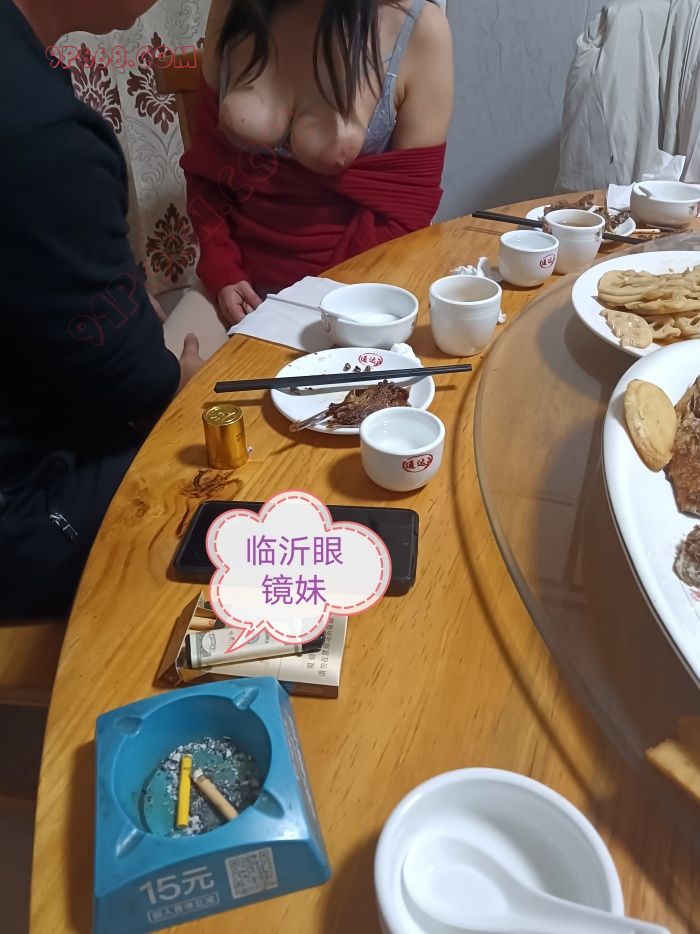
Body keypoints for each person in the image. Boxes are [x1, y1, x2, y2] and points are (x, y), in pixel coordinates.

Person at [0, 0, 205, 619]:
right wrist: (180, 385)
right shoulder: (41, 135)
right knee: (218, 461)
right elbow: (135, 384)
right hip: (23, 510)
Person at [182, 0, 453, 326]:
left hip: (356, 290)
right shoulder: (230, 6)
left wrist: (322, 301)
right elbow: (206, 169)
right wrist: (222, 269)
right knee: (161, 359)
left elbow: (406, 210)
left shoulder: (420, 28)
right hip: (238, 288)